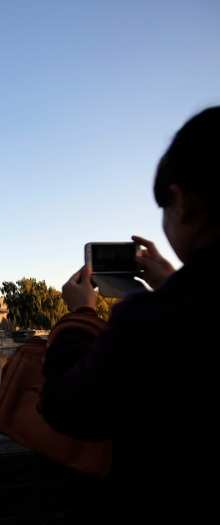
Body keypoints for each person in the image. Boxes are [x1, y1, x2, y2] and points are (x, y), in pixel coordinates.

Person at [42, 106, 220, 520]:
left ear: (180, 201)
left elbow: (65, 408)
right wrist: (173, 281)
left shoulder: (151, 320)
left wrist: (79, 318)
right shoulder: (173, 305)